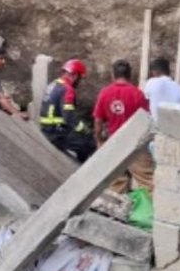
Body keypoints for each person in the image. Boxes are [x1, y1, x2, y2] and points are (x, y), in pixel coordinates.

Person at [95, 60, 154, 193]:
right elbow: (146, 120)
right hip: (135, 144)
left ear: (113, 75)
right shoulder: (138, 94)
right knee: (148, 181)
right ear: (129, 75)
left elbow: (98, 121)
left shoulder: (105, 93)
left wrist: (99, 140)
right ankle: (155, 211)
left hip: (114, 143)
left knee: (116, 183)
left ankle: (118, 210)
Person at [39, 59, 94, 162]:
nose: (79, 82)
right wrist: (84, 130)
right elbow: (68, 116)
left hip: (47, 128)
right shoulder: (68, 89)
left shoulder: (54, 84)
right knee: (89, 143)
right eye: (80, 79)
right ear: (75, 76)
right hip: (56, 133)